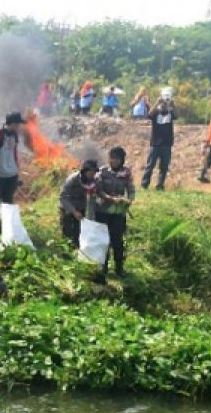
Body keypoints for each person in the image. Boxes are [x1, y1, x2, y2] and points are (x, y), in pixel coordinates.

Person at [95, 146, 135, 278]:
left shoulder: (126, 172)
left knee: (117, 241)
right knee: (103, 240)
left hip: (118, 213)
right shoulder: (102, 172)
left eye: (117, 158)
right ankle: (103, 268)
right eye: (112, 158)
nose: (114, 161)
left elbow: (131, 189)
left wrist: (129, 200)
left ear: (122, 159)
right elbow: (99, 191)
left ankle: (119, 268)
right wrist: (110, 198)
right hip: (103, 211)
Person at [58, 159, 99, 247]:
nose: (92, 175)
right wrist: (74, 211)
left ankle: (77, 253)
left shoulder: (93, 181)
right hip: (68, 208)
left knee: (79, 234)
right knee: (68, 234)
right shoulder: (72, 179)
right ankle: (66, 255)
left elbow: (92, 198)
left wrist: (91, 218)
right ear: (84, 171)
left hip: (81, 208)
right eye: (91, 172)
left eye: (94, 172)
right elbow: (63, 197)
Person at [141, 88, 176, 190]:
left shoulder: (170, 112)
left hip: (167, 144)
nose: (166, 102)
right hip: (155, 143)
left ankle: (160, 186)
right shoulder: (156, 111)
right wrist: (157, 102)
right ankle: (144, 184)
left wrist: (173, 105)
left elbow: (177, 116)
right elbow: (149, 115)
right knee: (150, 165)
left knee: (164, 167)